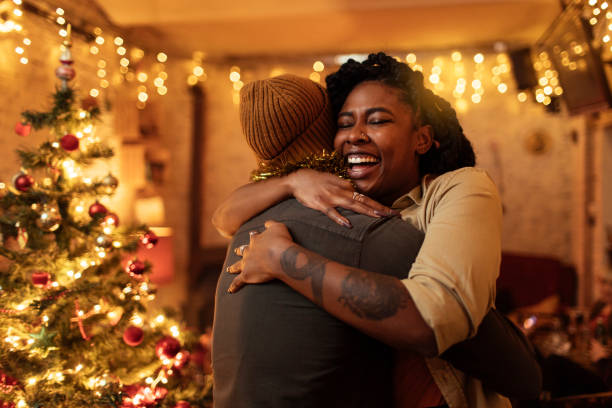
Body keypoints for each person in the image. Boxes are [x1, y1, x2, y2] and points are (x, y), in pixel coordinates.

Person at [216, 53, 540, 407]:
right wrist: (291, 182)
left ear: (421, 139)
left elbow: (435, 317)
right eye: (344, 123)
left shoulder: (457, 189)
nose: (355, 135)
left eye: (378, 121)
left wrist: (284, 258)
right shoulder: (328, 202)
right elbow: (224, 216)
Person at [212, 74, 426, 408]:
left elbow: (220, 218)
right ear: (327, 128)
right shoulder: (359, 224)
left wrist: (291, 181)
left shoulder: (247, 223)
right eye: (344, 119)